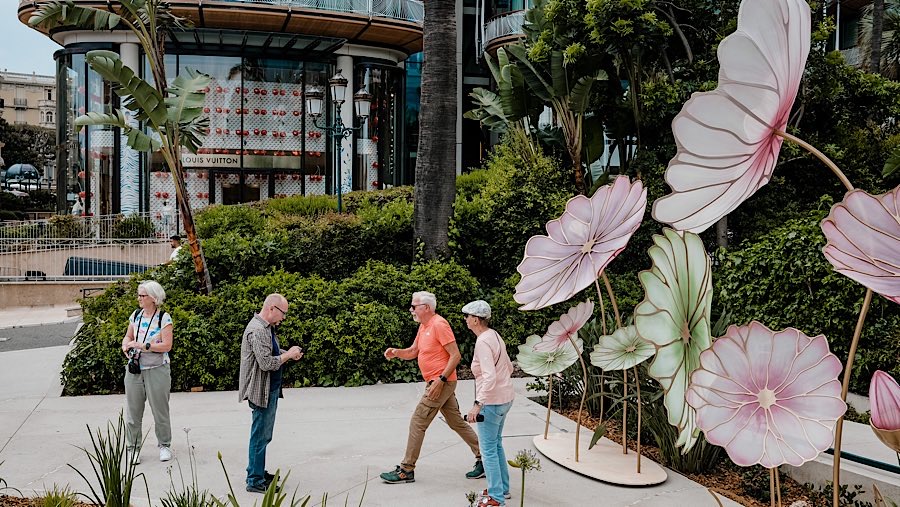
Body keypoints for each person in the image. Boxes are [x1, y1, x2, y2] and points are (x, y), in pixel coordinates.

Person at [380, 291, 484, 484]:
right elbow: (413, 351)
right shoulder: (424, 326)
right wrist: (396, 352)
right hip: (439, 382)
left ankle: (406, 470)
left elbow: (455, 355)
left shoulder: (439, 324)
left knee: (418, 422)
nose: (411, 310)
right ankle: (485, 458)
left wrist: (441, 380)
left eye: (414, 306)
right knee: (456, 422)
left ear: (426, 308)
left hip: (440, 383)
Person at [238, 294, 303, 493]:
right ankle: (254, 480)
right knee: (260, 436)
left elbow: (269, 352)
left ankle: (257, 471)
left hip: (269, 389)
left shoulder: (266, 328)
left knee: (264, 435)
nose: (284, 318)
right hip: (261, 391)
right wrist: (288, 355)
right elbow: (266, 363)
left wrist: (287, 353)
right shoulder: (258, 330)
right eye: (283, 313)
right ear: (272, 308)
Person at [463, 300, 515, 507]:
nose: (465, 319)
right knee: (496, 444)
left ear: (476, 319)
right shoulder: (494, 335)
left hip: (491, 403)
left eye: (467, 316)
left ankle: (496, 498)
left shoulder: (483, 342)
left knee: (488, 451)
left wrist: (477, 404)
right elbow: (509, 366)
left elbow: (489, 376)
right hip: (505, 398)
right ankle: (502, 489)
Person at [121, 280, 174, 464]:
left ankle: (164, 445)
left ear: (153, 297)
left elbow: (167, 345)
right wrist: (125, 345)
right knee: (133, 412)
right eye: (139, 295)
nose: (139, 298)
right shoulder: (136, 316)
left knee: (160, 410)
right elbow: (128, 336)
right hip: (135, 368)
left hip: (157, 369)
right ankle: (133, 448)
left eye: (142, 295)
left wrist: (145, 346)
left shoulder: (164, 318)